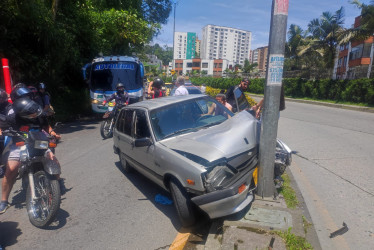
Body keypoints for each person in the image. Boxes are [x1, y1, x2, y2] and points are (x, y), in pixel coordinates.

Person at [0, 88, 56, 214]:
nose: (28, 98)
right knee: (11, 170)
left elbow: (45, 124)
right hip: (20, 143)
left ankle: (54, 188)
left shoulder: (36, 109)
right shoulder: (11, 112)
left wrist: (52, 132)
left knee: (54, 161)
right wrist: (5, 130)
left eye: (29, 96)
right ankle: (3, 201)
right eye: (24, 96)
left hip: (37, 140)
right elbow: (4, 124)